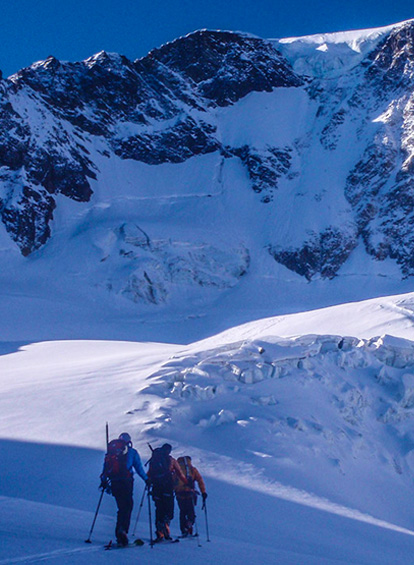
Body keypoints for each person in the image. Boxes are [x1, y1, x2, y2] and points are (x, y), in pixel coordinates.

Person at [100, 432, 149, 546]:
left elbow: (105, 469)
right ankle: (123, 531)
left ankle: (120, 532)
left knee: (121, 507)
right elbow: (139, 469)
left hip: (114, 482)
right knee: (128, 506)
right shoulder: (132, 452)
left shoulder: (111, 452)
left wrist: (103, 481)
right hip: (127, 482)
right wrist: (147, 479)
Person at [147, 443, 187, 542]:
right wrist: (187, 483)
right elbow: (180, 474)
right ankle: (165, 529)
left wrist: (148, 482)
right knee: (169, 511)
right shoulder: (171, 460)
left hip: (156, 488)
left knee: (159, 509)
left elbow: (149, 473)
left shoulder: (154, 459)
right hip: (167, 488)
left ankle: (159, 532)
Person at [175, 455, 207, 537]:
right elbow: (200, 480)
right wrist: (203, 492)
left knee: (182, 512)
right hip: (190, 493)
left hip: (180, 494)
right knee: (190, 511)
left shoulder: (177, 469)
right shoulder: (192, 470)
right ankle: (189, 526)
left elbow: (173, 481)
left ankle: (184, 530)